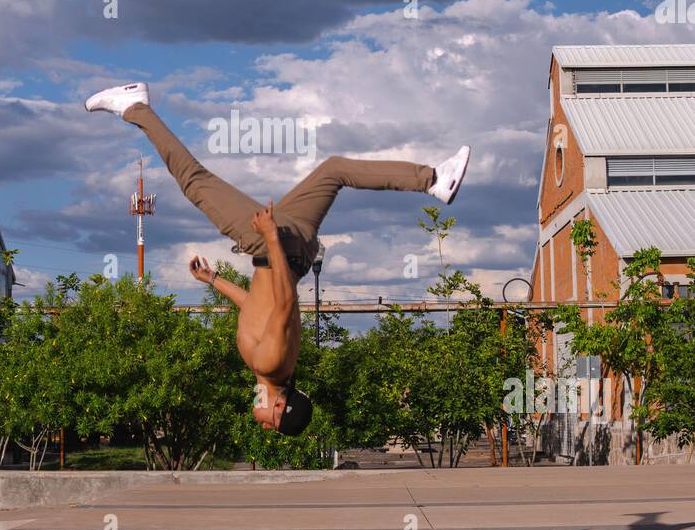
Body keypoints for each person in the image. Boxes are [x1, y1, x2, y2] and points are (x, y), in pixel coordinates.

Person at [85, 83, 469, 436]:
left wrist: (214, 280)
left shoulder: (267, 365)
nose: (263, 424)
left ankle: (434, 179)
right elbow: (285, 301)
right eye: (271, 423)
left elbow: (257, 306)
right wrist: (269, 237)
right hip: (273, 249)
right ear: (280, 406)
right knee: (194, 181)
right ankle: (136, 106)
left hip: (294, 246)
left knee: (335, 170)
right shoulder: (270, 363)